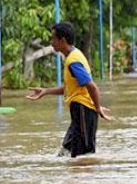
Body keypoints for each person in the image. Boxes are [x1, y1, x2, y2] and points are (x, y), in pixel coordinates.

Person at [27, 22, 113, 157]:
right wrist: (45, 91)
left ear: (62, 40)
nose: (51, 42)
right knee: (65, 152)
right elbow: (70, 88)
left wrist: (97, 108)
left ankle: (84, 177)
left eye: (53, 39)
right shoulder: (73, 55)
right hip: (80, 111)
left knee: (83, 156)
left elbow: (92, 86)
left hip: (83, 110)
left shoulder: (73, 61)